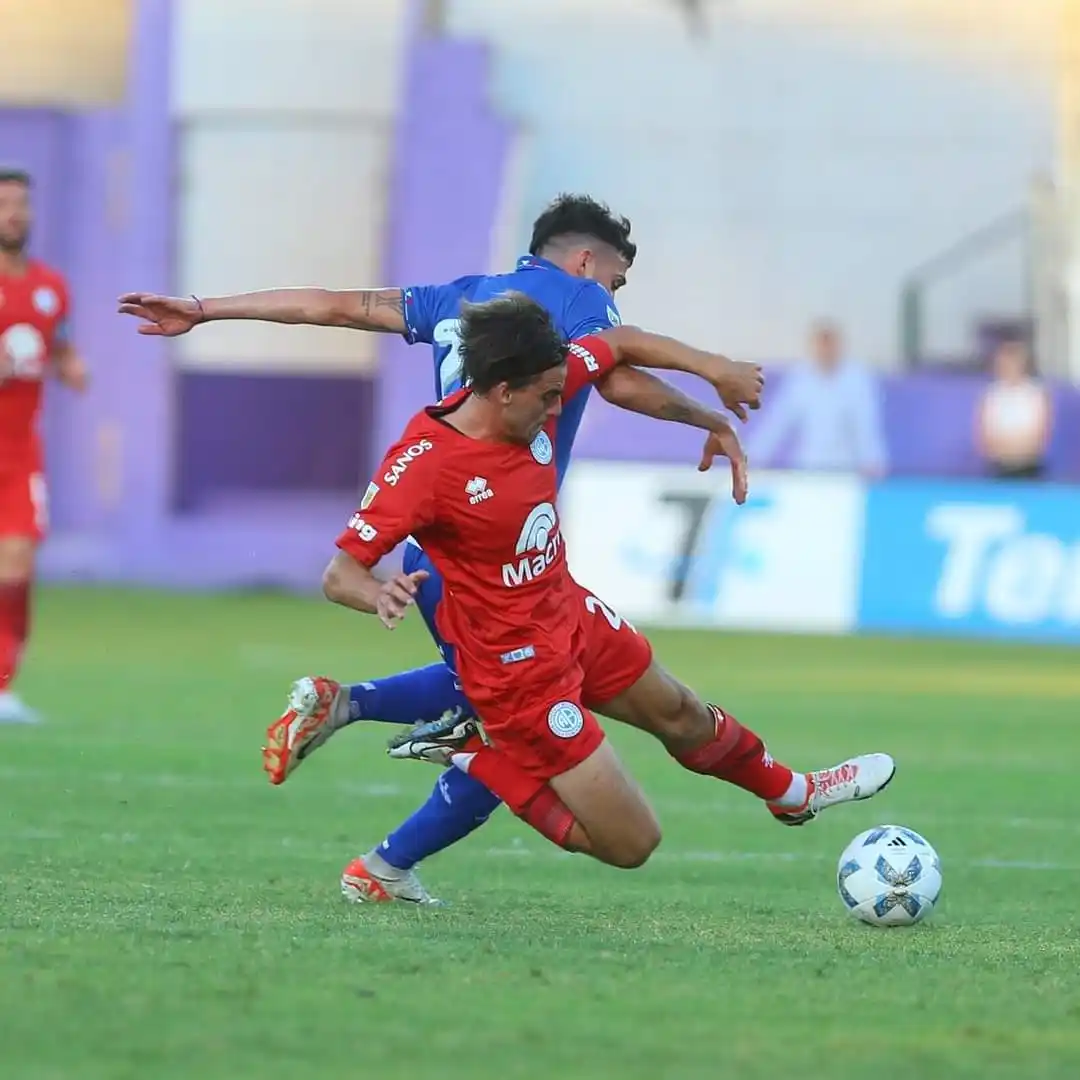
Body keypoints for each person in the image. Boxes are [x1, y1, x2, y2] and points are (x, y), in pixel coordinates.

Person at [120, 194, 765, 902]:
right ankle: (381, 840)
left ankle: (362, 758)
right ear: (587, 259)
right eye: (616, 277)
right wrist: (707, 402)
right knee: (514, 715)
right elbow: (617, 374)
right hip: (492, 543)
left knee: (505, 698)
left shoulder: (462, 299)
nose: (612, 292)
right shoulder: (581, 298)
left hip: (436, 545)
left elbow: (335, 306)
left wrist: (205, 308)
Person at [320, 294, 895, 878]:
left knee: (682, 713)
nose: (557, 406)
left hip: (570, 613)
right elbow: (341, 574)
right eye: (546, 397)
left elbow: (621, 344)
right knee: (630, 843)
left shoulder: (541, 379)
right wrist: (379, 593)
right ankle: (469, 750)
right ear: (502, 391)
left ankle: (791, 793)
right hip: (517, 673)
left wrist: (713, 389)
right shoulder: (424, 463)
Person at [0, 168, 88, 724]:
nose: (14, 214)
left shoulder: (51, 287)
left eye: (21, 205)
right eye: (5, 203)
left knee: (17, 563)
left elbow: (60, 348)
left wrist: (71, 365)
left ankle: (4, 686)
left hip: (19, 452)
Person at [749, 319, 887, 478]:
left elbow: (866, 427)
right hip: (807, 469)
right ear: (813, 347)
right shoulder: (799, 379)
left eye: (830, 345)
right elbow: (776, 424)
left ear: (839, 346)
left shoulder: (857, 379)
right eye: (821, 345)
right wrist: (753, 459)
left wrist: (874, 462)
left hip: (846, 470)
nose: (826, 351)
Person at [975, 339, 1052, 480]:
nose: (1008, 367)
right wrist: (1003, 452)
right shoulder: (992, 394)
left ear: (1022, 365)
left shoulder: (1035, 394)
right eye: (1003, 364)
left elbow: (1040, 436)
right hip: (998, 465)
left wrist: (1019, 452)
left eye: (1012, 363)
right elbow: (984, 435)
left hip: (1029, 466)